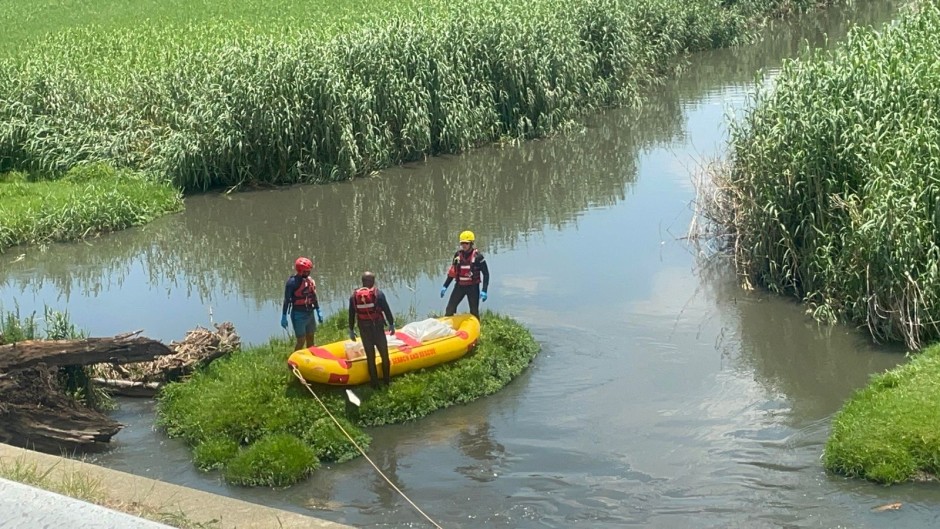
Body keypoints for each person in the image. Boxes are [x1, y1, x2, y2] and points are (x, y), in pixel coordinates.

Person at [348, 271, 396, 388]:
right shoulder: (378, 294)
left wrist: (351, 329)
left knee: (370, 356)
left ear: (362, 282)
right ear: (373, 282)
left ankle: (374, 384)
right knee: (384, 355)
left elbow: (351, 314)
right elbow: (386, 310)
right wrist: (391, 324)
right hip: (377, 328)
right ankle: (387, 381)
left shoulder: (354, 296)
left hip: (364, 329)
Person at [440, 230, 489, 318]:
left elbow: (486, 274)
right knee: (450, 309)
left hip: (473, 287)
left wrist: (484, 290)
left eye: (466, 243)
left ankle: (476, 328)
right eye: (462, 243)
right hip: (459, 286)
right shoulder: (457, 255)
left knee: (474, 312)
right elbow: (453, 272)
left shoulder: (478, 257)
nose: (464, 245)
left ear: (471, 243)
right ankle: (448, 328)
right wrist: (445, 286)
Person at [281, 256, 323, 351]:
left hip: (309, 313)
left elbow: (313, 296)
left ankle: (311, 357)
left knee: (311, 337)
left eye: (309, 271)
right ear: (300, 271)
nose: (308, 273)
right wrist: (284, 316)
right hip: (298, 314)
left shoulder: (309, 281)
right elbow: (287, 300)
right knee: (301, 340)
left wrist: (318, 310)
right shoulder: (292, 283)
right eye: (306, 271)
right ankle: (294, 361)